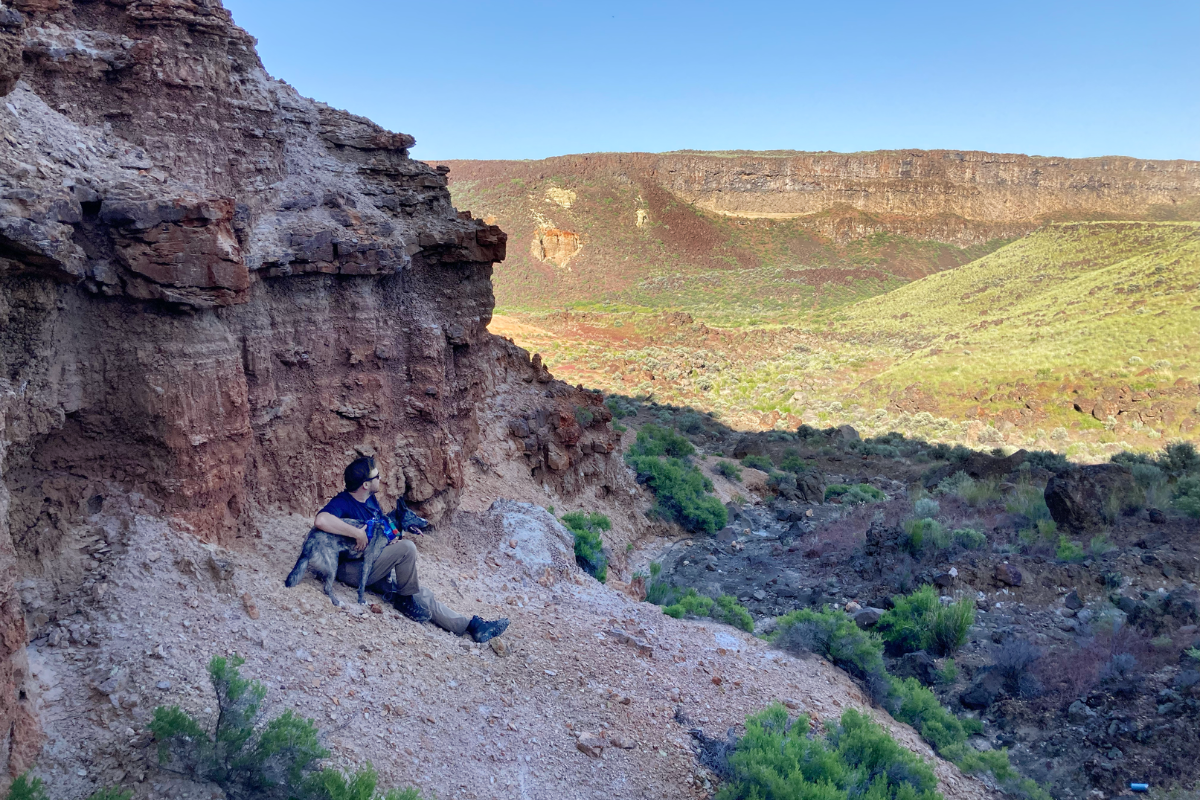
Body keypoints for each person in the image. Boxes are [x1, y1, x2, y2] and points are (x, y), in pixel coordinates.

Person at [314, 456, 509, 644]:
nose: (380, 479)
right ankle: (405, 600)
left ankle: (472, 626)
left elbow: (379, 531)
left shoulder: (371, 501)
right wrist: (356, 533)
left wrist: (385, 542)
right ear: (365, 484)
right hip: (349, 569)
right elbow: (321, 520)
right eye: (376, 476)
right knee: (407, 548)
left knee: (422, 594)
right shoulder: (343, 502)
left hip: (371, 564)